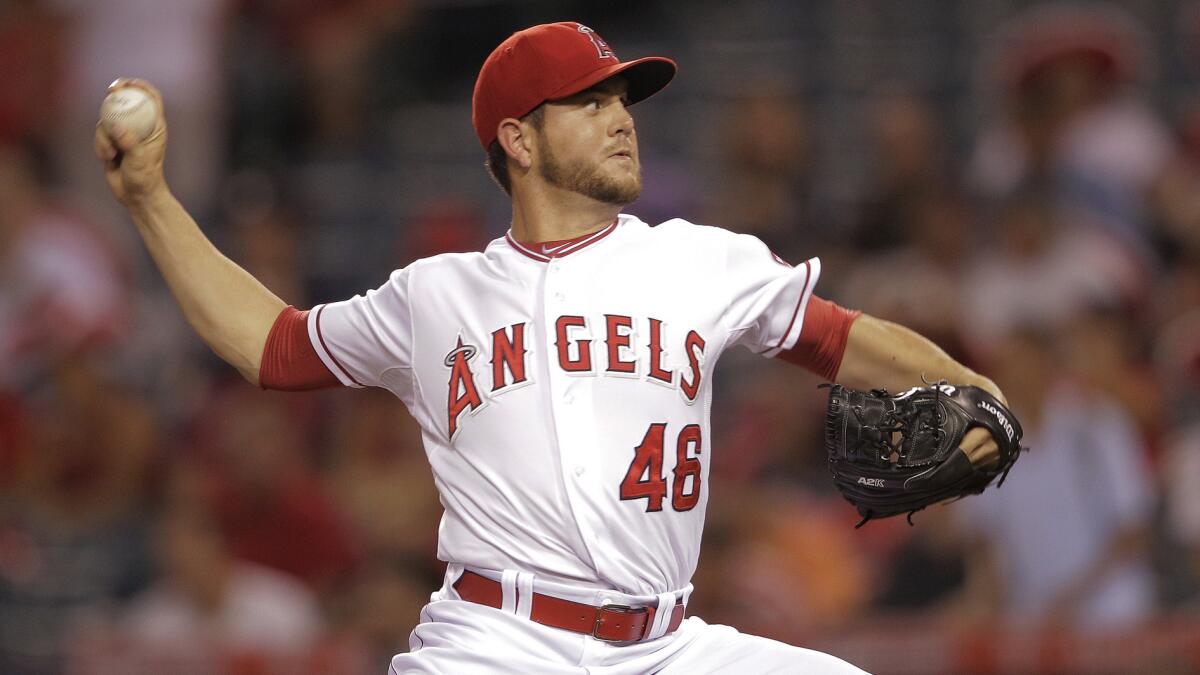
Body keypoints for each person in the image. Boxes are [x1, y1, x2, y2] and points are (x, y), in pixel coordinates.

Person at [95, 21, 1007, 675]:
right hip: (496, 642)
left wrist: (972, 384)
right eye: (590, 101)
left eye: (623, 99)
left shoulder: (697, 259)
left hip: (668, 645)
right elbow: (273, 346)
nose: (622, 116)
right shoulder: (434, 293)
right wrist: (150, 200)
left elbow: (843, 339)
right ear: (518, 140)